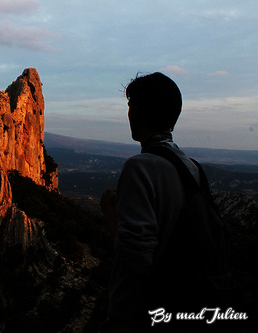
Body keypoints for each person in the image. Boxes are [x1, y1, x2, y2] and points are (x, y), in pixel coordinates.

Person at [99, 72, 215, 332]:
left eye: (130, 107)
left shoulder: (140, 167)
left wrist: (111, 215)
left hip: (142, 316)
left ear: (137, 111)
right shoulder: (193, 168)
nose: (128, 115)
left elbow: (135, 261)